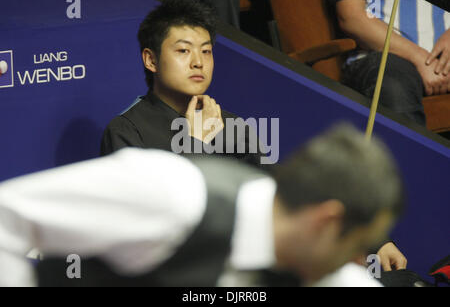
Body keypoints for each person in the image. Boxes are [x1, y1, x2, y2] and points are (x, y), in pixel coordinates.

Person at [0, 124, 405, 286]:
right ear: (326, 220)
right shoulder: (171, 194)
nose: (356, 260)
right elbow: (7, 216)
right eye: (357, 245)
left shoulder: (331, 277)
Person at [100, 0, 264, 167]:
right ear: (151, 60)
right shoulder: (126, 131)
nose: (198, 62)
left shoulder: (230, 124)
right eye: (184, 50)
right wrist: (197, 143)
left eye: (206, 51)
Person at [327, 0, 450, 126]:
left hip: (445, 59)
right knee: (393, 85)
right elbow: (352, 18)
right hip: (385, 59)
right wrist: (420, 58)